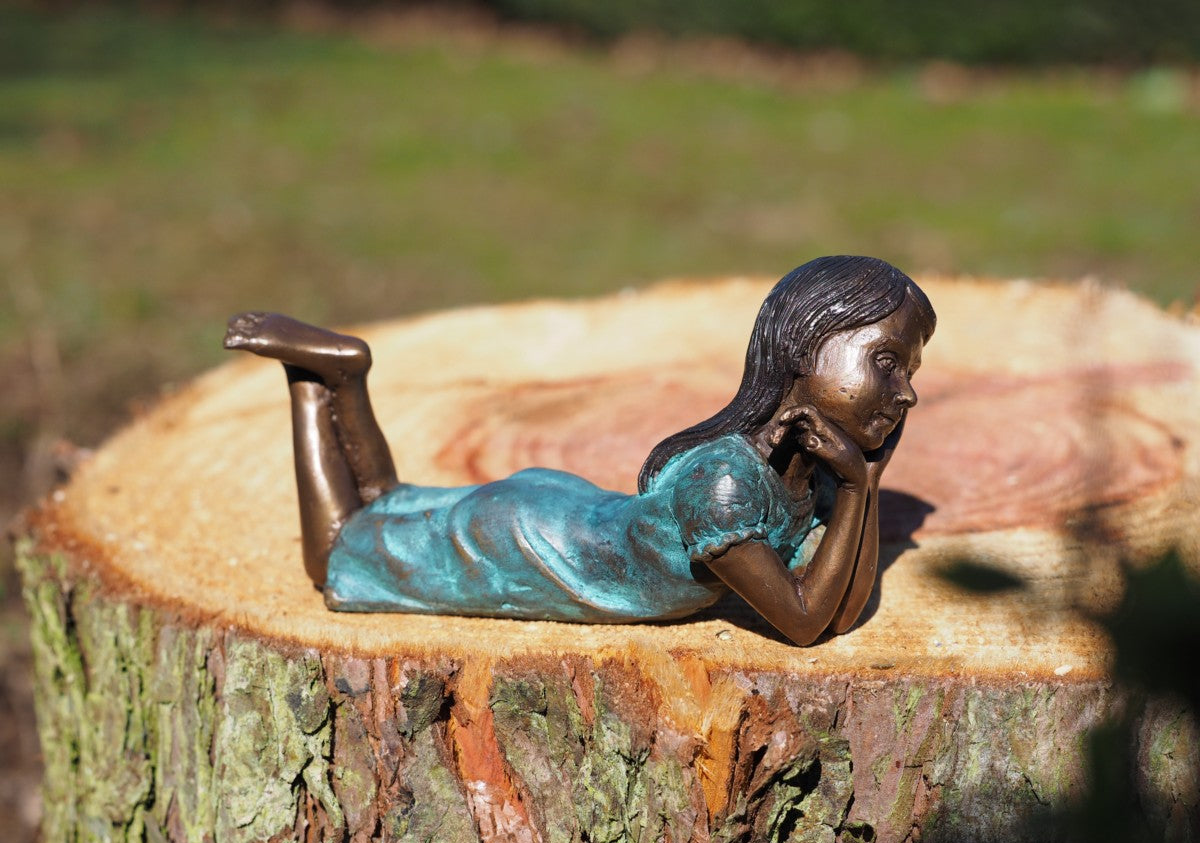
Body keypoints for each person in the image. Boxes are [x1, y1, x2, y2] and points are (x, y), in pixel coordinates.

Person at [224, 255, 934, 646]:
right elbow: (805, 623)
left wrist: (861, 484)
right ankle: (315, 383)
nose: (904, 393)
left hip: (563, 516)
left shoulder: (804, 477)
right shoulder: (727, 486)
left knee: (393, 508)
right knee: (338, 550)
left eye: (909, 371)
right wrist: (860, 490)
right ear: (808, 347)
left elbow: (839, 614)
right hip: (534, 546)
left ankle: (346, 380)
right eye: (886, 362)